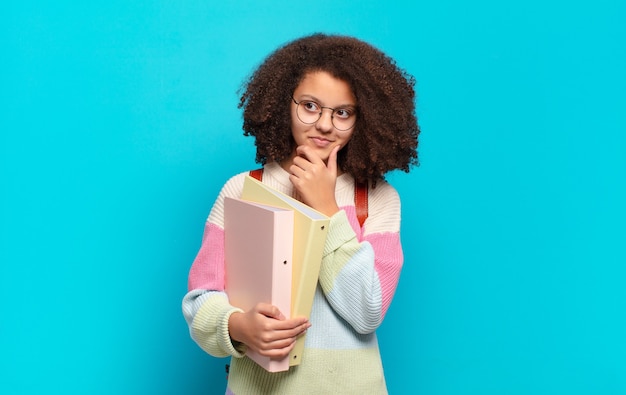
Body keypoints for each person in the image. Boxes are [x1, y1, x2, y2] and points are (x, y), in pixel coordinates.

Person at [182, 33, 420, 394]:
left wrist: (326, 208)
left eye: (342, 113)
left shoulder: (376, 200)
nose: (324, 124)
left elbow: (366, 313)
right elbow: (201, 302)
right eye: (310, 106)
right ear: (283, 104)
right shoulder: (242, 190)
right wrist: (237, 326)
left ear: (363, 119)